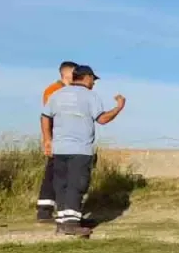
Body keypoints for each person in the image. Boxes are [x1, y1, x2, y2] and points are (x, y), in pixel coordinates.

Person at [41, 65, 126, 236]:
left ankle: (63, 221)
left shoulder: (57, 94)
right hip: (80, 148)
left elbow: (45, 116)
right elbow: (102, 119)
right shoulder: (90, 96)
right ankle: (72, 224)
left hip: (59, 148)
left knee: (61, 184)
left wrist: (47, 140)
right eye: (93, 80)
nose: (94, 83)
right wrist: (119, 107)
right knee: (77, 184)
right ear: (86, 77)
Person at [36, 60, 78, 223]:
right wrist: (48, 140)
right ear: (67, 73)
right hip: (57, 139)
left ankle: (52, 208)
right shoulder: (54, 90)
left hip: (64, 139)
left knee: (58, 173)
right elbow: (49, 114)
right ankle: (45, 210)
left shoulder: (66, 91)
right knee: (53, 173)